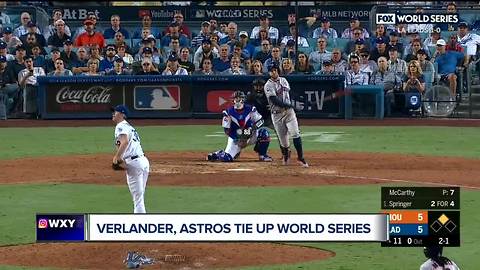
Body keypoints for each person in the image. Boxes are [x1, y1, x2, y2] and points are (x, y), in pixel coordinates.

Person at [206, 91, 273, 162]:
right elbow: (226, 130)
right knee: (227, 158)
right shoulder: (228, 112)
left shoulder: (251, 109)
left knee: (264, 133)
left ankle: (262, 155)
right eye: (236, 98)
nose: (237, 100)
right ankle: (218, 154)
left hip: (250, 135)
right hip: (236, 139)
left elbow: (261, 121)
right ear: (233, 100)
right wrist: (238, 137)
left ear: (243, 99)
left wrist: (252, 129)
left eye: (239, 98)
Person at [264, 62, 308, 167]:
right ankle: (286, 155)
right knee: (284, 141)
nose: (273, 72)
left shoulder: (284, 80)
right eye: (271, 70)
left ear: (277, 70)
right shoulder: (268, 85)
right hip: (277, 115)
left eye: (275, 69)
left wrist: (302, 100)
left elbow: (289, 93)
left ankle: (300, 158)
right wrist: (289, 105)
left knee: (295, 133)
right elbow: (274, 100)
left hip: (289, 114)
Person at [111, 104, 150, 214]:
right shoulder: (129, 127)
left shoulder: (120, 126)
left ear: (122, 114)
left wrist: (116, 157)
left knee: (138, 200)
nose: (113, 113)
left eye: (116, 111)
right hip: (143, 161)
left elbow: (125, 142)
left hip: (134, 163)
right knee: (140, 197)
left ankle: (140, 227)